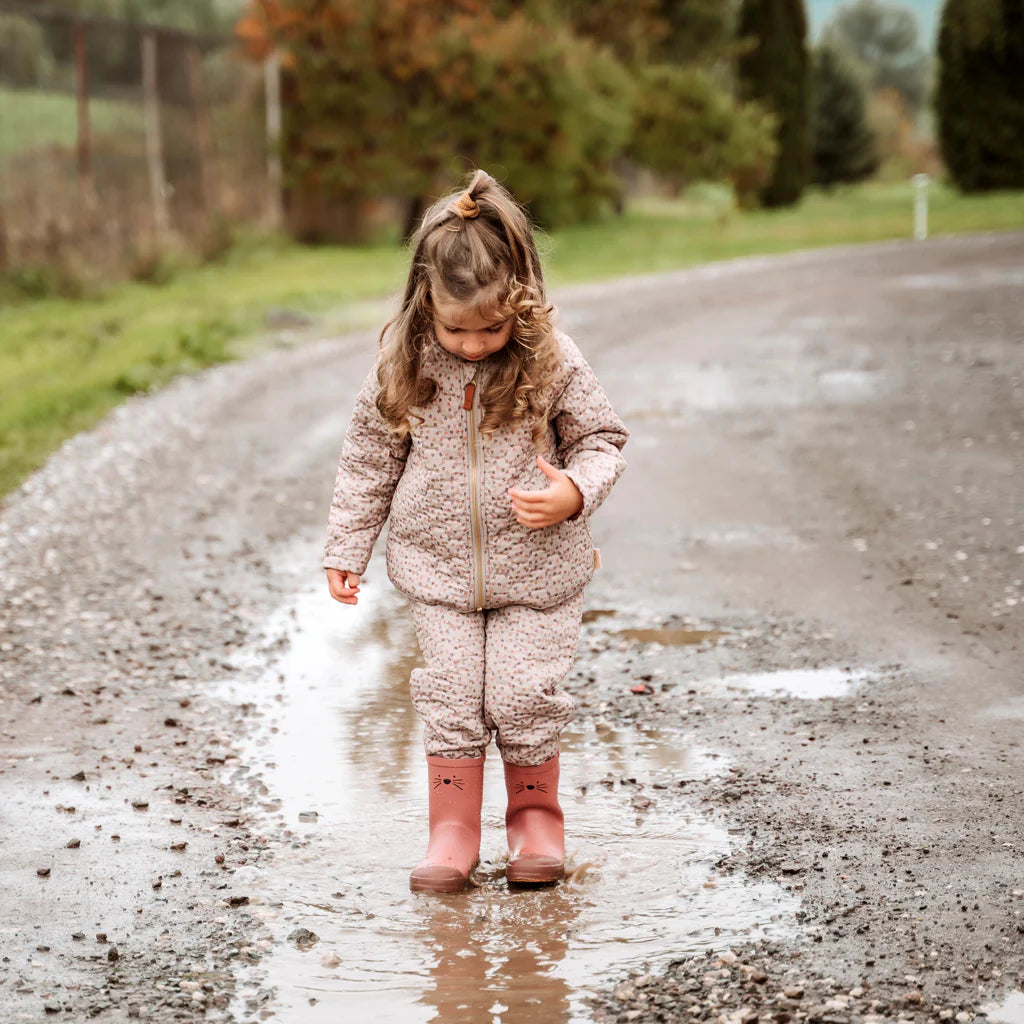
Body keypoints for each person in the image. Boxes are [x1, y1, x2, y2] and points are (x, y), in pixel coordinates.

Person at [323, 169, 628, 894]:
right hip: (439, 576)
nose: (470, 344)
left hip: (538, 576)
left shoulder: (551, 357)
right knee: (453, 698)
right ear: (423, 302)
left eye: (490, 327)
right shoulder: (405, 361)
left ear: (520, 301)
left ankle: (534, 823)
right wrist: (346, 549)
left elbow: (602, 439)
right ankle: (453, 832)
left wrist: (574, 492)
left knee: (522, 696)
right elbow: (368, 459)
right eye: (453, 328)